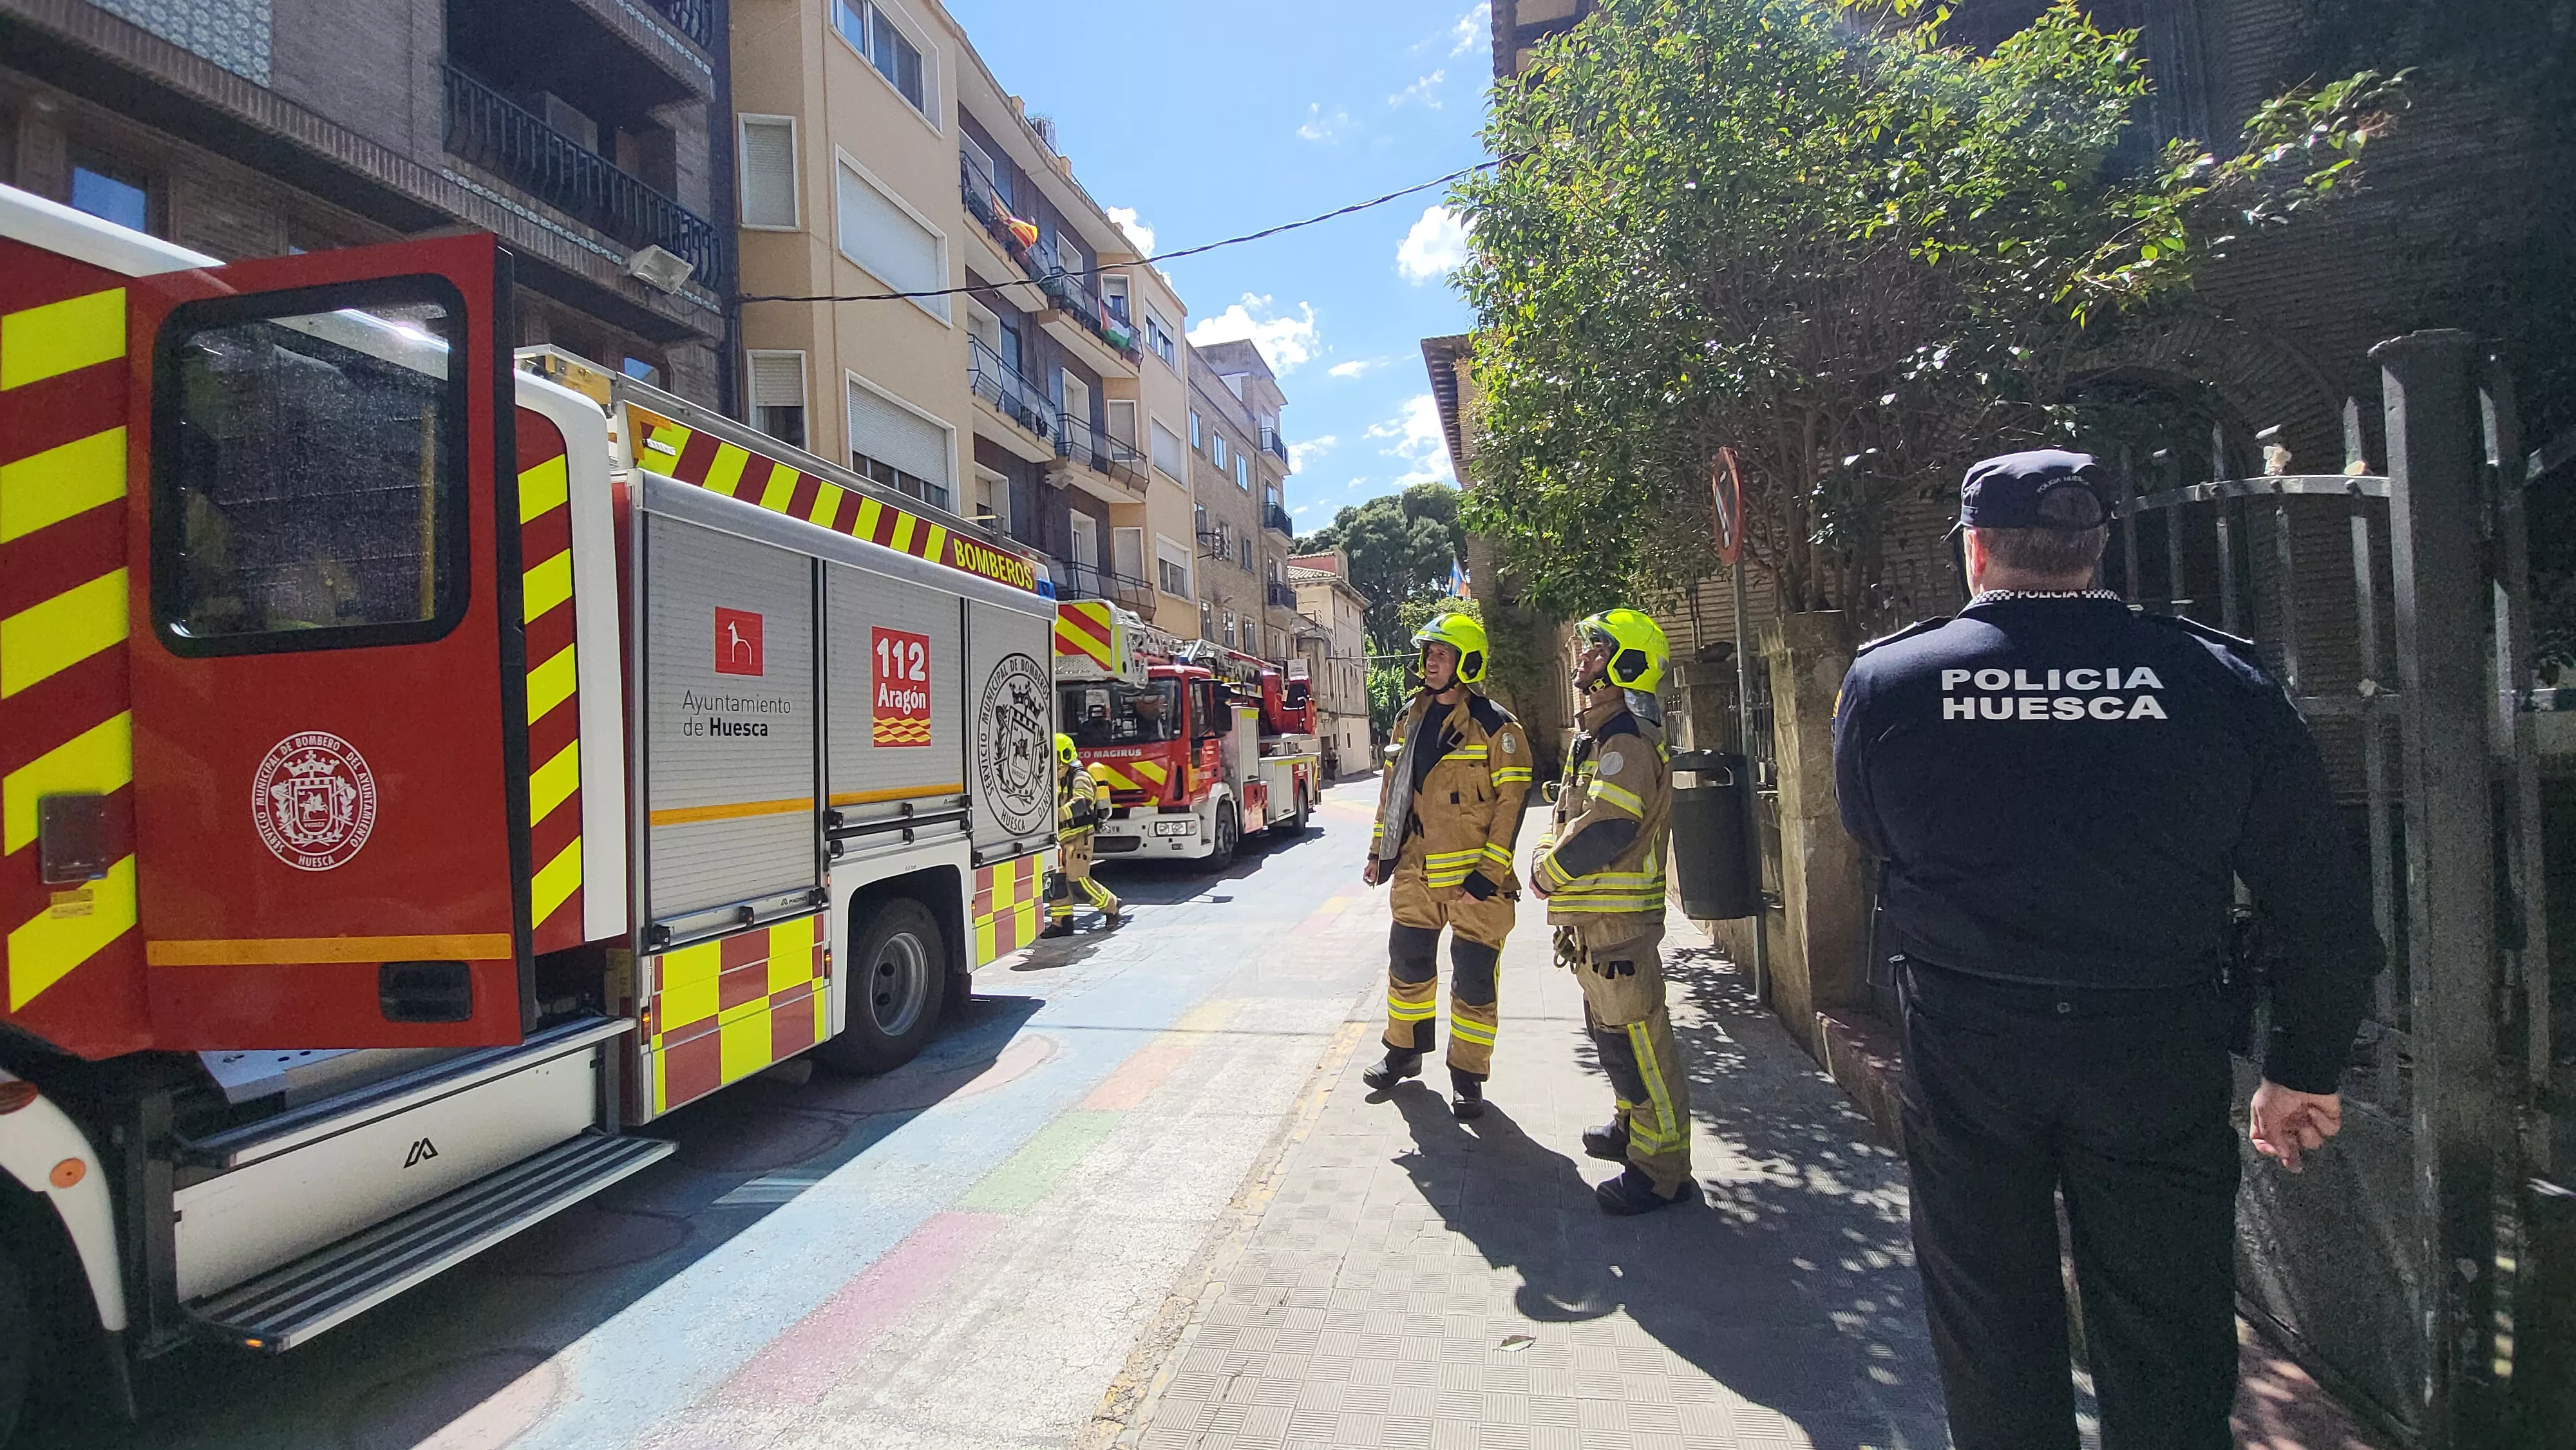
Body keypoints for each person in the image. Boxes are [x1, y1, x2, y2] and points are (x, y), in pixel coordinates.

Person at [1832, 449, 2383, 1450]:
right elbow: (2322, 894)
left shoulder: (1891, 681)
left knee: (1990, 1322)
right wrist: (2303, 1066)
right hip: (2154, 1041)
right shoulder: (2215, 677)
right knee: (2168, 1327)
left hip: (1970, 1042)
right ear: (2096, 547)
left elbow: (1874, 835)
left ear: (1978, 551)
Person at [1530, 608, 1694, 1216]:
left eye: (1596, 649)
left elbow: (1608, 828)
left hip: (1619, 933)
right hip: (1598, 933)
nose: (1582, 656)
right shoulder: (1601, 734)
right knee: (1614, 1040)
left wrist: (1549, 870)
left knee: (1641, 1044)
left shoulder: (1624, 739)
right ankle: (1633, 1132)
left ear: (1625, 664)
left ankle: (1662, 1173)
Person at [1360, 613, 1533, 1119]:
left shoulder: (1498, 728)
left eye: (1442, 654)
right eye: (1428, 653)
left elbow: (1511, 805)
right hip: (1415, 873)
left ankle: (1468, 1078)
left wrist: (1489, 873)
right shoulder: (1409, 719)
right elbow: (1391, 795)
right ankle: (1403, 1052)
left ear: (1467, 663)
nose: (1430, 662)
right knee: (1408, 966)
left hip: (1475, 885)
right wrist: (1378, 854)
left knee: (1474, 980)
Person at [1043, 733, 1122, 937]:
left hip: (1080, 837)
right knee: (1057, 881)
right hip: (1057, 839)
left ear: (1067, 757)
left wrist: (1057, 815)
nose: (1056, 767)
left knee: (1078, 881)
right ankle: (1062, 923)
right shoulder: (1049, 777)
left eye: (1059, 762)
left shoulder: (1081, 777)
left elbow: (1082, 803)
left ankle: (1112, 906)